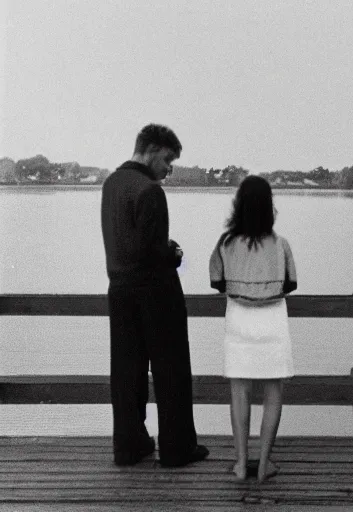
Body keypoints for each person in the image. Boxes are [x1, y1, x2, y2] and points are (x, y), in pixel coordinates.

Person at [101, 123, 208, 467]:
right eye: (167, 159)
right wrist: (173, 254)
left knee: (127, 371)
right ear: (149, 151)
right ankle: (177, 448)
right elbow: (151, 251)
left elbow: (127, 243)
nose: (169, 168)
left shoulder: (111, 184)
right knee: (171, 369)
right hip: (156, 293)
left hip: (119, 290)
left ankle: (129, 445)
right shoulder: (150, 191)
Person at [209, 175, 297, 483]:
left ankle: (241, 463)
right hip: (273, 319)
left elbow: (217, 282)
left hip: (239, 320)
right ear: (269, 207)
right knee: (273, 392)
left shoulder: (227, 244)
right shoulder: (281, 244)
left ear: (239, 205)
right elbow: (291, 284)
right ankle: (263, 466)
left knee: (240, 393)